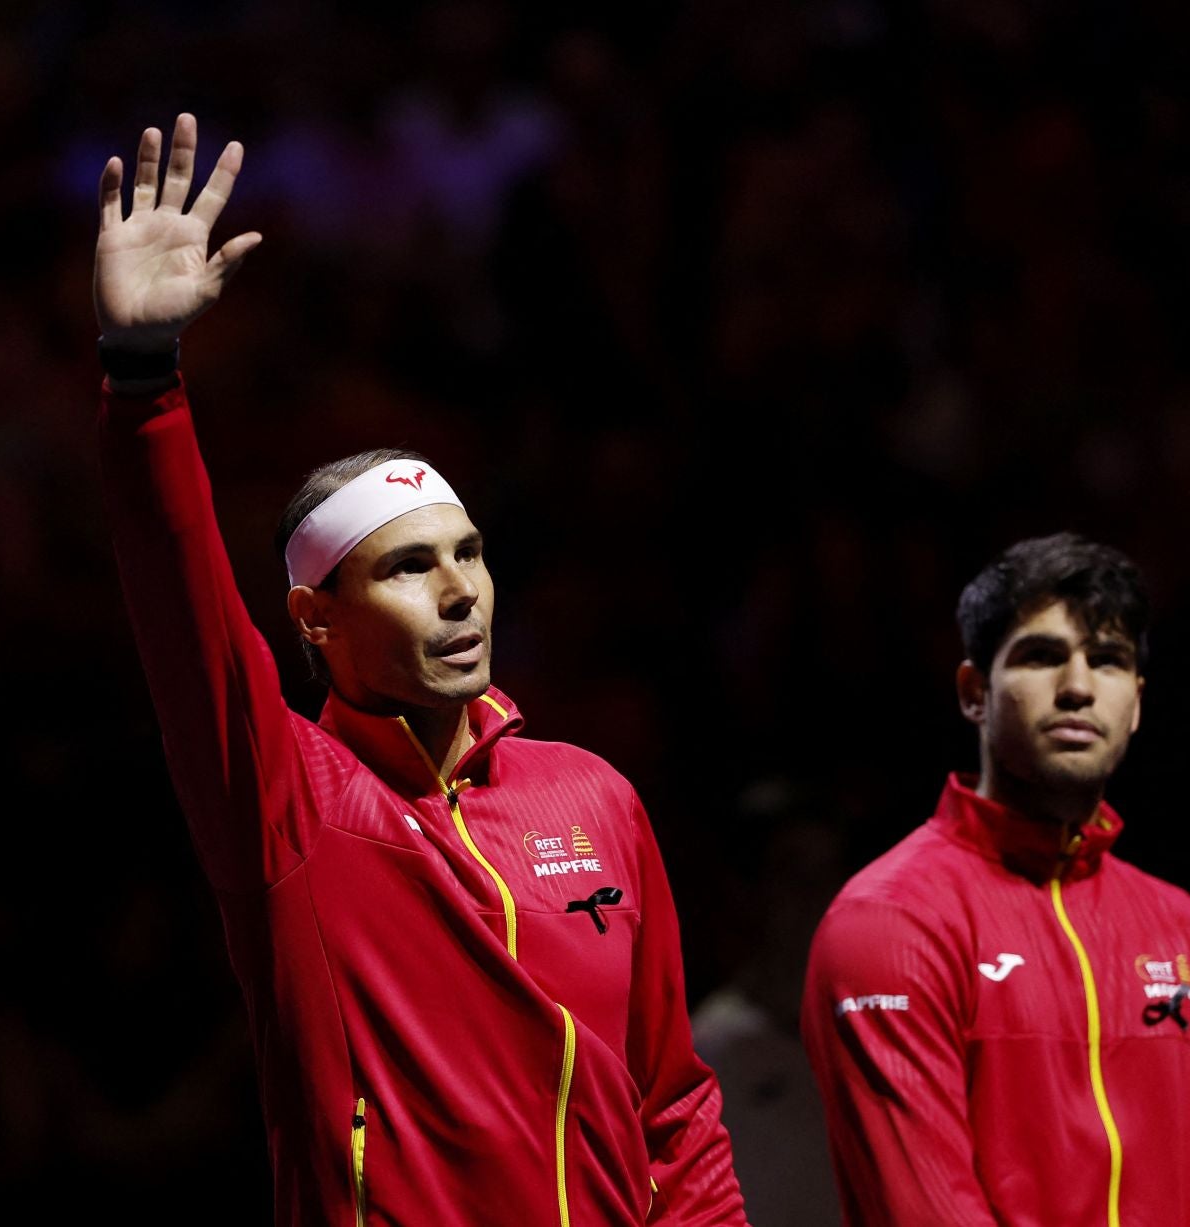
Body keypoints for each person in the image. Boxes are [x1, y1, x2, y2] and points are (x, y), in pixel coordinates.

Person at [93, 113, 746, 1224]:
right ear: (315, 618)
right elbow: (179, 608)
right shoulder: (290, 809)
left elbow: (675, 1112)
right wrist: (145, 380)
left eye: (470, 555)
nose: (459, 591)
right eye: (406, 568)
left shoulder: (592, 796)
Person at [800, 533, 1190, 1225]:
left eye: (1107, 660)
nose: (1079, 685)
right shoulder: (888, 923)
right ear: (974, 692)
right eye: (1042, 655)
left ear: (1137, 703)